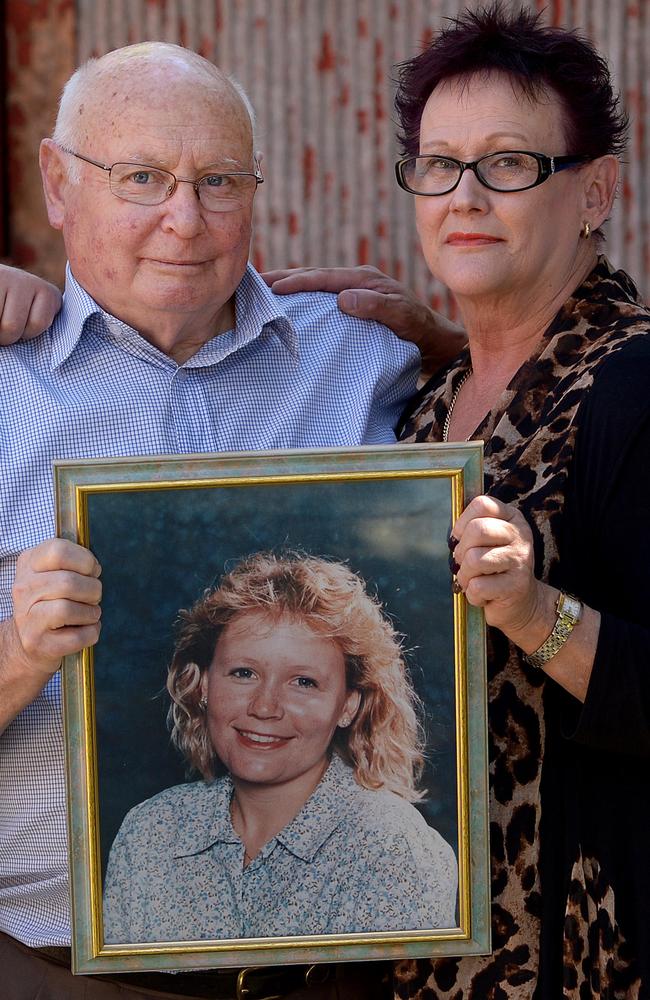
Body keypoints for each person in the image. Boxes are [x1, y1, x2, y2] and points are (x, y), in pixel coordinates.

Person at [0, 40, 430, 1000]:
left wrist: (443, 333)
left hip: (336, 962)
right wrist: (21, 650)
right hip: (56, 965)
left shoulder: (363, 360)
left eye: (219, 181)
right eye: (142, 178)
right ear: (58, 184)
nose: (184, 221)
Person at [262, 7, 650, 999]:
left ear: (593, 190)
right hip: (422, 945)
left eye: (507, 163)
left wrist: (533, 612)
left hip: (580, 951)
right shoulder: (428, 404)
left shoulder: (636, 387)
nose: (463, 197)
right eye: (438, 165)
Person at [102, 551, 457, 943]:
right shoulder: (150, 830)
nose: (264, 707)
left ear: (347, 705)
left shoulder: (392, 848)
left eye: (303, 682)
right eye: (243, 673)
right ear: (203, 686)